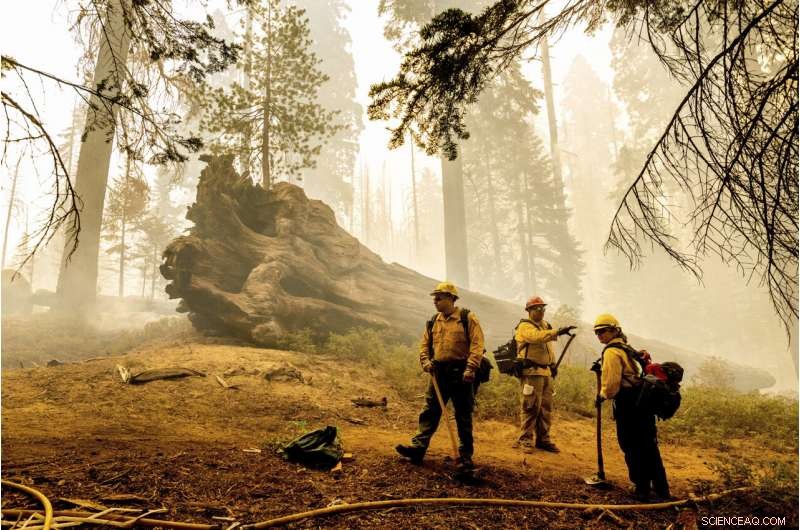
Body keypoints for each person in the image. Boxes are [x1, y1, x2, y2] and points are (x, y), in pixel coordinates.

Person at [396, 281, 485, 470]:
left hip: (462, 373)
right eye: (434, 298)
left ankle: (465, 456)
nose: (435, 301)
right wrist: (426, 361)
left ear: (451, 299)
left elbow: (478, 345)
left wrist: (471, 368)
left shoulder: (467, 318)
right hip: (439, 373)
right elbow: (424, 345)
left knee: (463, 415)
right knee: (430, 411)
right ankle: (418, 449)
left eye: (439, 297)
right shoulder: (433, 321)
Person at [594, 313, 670, 502]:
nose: (599, 335)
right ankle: (662, 490)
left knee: (631, 446)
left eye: (603, 331)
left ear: (614, 330)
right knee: (649, 446)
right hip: (643, 402)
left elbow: (611, 387)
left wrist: (601, 395)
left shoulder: (612, 352)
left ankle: (642, 490)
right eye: (596, 332)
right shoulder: (627, 348)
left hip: (628, 404)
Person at [512, 296, 575, 453]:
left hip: (545, 372)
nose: (540, 311)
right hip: (531, 372)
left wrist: (552, 364)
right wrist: (558, 331)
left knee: (546, 408)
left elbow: (548, 347)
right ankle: (525, 439)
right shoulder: (524, 327)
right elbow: (537, 338)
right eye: (536, 309)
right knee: (530, 406)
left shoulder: (545, 325)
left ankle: (543, 439)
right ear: (529, 311)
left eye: (542, 308)